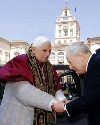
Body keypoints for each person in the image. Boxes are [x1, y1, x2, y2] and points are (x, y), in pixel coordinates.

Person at [0, 36, 66, 125]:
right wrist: (52, 102)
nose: (48, 54)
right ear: (34, 49)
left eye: (49, 51)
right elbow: (24, 91)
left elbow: (55, 85)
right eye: (44, 50)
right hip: (21, 116)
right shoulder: (21, 62)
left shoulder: (49, 67)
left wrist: (61, 98)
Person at [52, 42, 100, 125]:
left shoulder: (97, 64)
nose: (70, 67)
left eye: (70, 62)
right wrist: (69, 104)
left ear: (80, 56)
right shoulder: (93, 65)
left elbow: (88, 100)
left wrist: (65, 107)